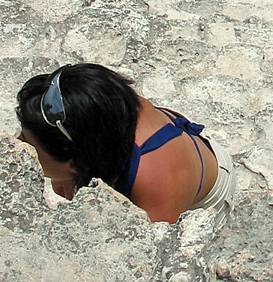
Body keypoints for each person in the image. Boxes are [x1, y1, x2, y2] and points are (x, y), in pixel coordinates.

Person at [16, 64, 235, 225]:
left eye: (28, 144)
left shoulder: (156, 186)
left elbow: (155, 257)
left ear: (74, 162)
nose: (18, 146)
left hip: (207, 201)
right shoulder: (104, 106)